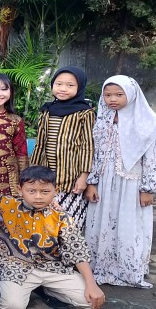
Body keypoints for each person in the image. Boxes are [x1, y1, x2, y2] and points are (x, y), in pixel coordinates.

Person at [84, 75, 156, 289]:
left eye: (119, 94)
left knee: (129, 225)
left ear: (132, 95)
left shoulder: (146, 123)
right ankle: (101, 266)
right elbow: (94, 154)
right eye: (107, 95)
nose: (112, 99)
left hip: (132, 183)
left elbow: (150, 159)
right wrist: (92, 182)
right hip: (103, 182)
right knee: (102, 224)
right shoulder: (101, 121)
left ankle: (128, 269)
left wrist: (148, 188)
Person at [0, 166, 105, 309]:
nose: (38, 196)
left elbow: (78, 251)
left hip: (52, 267)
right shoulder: (7, 205)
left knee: (91, 300)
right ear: (20, 190)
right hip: (16, 266)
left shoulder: (61, 217)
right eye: (31, 191)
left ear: (55, 191)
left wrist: (92, 284)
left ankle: (48, 290)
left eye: (45, 191)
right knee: (12, 305)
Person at [30, 67, 95, 230]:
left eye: (70, 85)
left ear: (79, 87)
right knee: (45, 222)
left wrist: (84, 176)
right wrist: (33, 170)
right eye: (58, 84)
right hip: (46, 178)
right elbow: (40, 143)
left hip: (71, 179)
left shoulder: (84, 113)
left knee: (69, 223)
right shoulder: (46, 111)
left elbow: (88, 146)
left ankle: (70, 245)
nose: (63, 89)